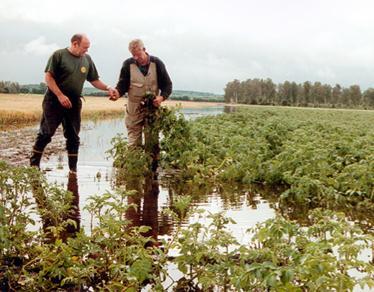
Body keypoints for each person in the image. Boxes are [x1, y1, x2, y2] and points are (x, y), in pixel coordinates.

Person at [30, 33, 115, 173]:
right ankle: (33, 166)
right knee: (46, 133)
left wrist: (108, 88)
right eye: (84, 47)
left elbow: (94, 80)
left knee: (73, 136)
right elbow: (48, 77)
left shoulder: (87, 59)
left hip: (74, 102)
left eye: (88, 48)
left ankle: (73, 170)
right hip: (54, 100)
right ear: (75, 44)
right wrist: (60, 95)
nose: (86, 51)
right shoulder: (59, 55)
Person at [110, 39, 172, 148]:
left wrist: (161, 98)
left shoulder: (157, 63)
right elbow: (122, 85)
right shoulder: (127, 64)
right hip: (133, 109)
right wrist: (117, 94)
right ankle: (134, 163)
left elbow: (167, 85)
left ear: (144, 49)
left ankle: (152, 164)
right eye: (133, 55)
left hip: (152, 108)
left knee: (152, 141)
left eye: (138, 55)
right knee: (134, 142)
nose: (136, 58)